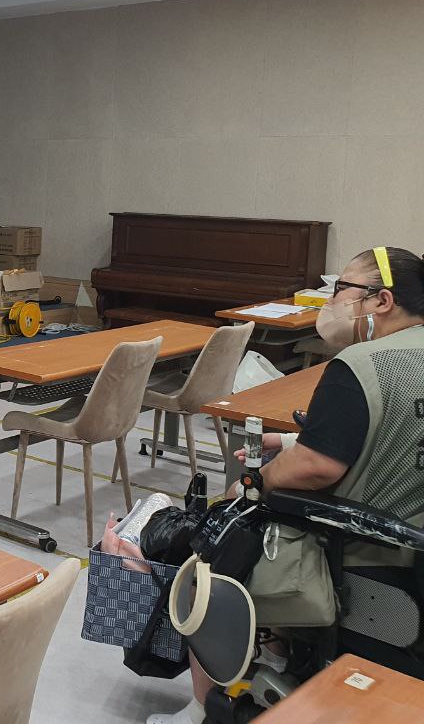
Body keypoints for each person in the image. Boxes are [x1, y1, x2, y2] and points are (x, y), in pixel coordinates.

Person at [149, 246, 424, 724]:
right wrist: (299, 438)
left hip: (362, 559)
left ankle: (200, 708)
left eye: (342, 288)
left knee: (210, 552)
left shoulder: (360, 367)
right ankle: (279, 655)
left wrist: (254, 482)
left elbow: (316, 467)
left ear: (382, 302)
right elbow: (394, 435)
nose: (332, 299)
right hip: (413, 546)